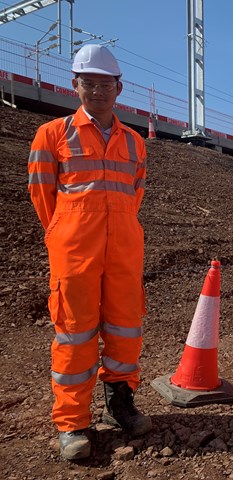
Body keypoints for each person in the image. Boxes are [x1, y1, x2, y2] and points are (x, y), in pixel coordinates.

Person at [27, 44, 152, 460]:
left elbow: (133, 194)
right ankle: (72, 422)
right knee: (74, 334)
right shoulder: (52, 134)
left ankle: (121, 403)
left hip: (123, 249)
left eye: (105, 84)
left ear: (119, 88)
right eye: (89, 83)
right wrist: (67, 232)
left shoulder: (134, 142)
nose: (97, 91)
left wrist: (116, 230)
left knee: (124, 330)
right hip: (74, 251)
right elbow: (41, 194)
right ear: (75, 85)